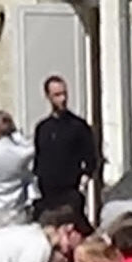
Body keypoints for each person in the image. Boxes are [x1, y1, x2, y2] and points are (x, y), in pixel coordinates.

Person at [32, 76, 98, 219]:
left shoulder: (78, 126)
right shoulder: (43, 128)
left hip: (71, 191)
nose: (62, 99)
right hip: (47, 194)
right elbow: (39, 158)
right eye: (57, 95)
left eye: (64, 94)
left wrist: (84, 180)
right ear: (48, 96)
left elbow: (91, 157)